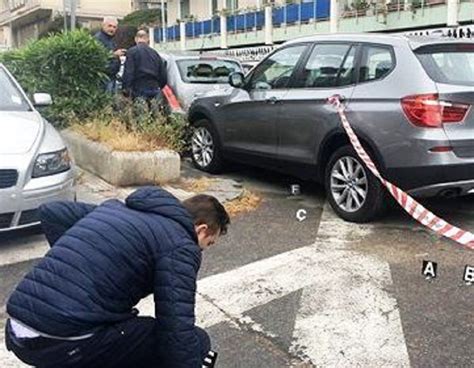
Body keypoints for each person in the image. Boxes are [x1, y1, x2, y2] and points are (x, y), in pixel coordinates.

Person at [5, 187, 230, 368]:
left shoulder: (114, 209)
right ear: (201, 230)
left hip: (18, 330)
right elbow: (176, 329)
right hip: (61, 340)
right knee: (196, 343)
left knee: (132, 335)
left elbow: (51, 212)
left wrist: (83, 264)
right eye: (207, 245)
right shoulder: (181, 245)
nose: (202, 251)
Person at [122, 30, 167, 101]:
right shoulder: (155, 53)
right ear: (147, 39)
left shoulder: (132, 52)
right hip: (154, 87)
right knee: (154, 110)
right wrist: (159, 86)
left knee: (141, 111)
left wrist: (126, 89)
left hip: (138, 87)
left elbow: (128, 72)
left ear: (136, 39)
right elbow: (163, 75)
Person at [94, 16, 126, 92]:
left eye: (114, 27)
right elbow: (97, 57)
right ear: (103, 25)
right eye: (110, 26)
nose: (112, 29)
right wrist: (114, 54)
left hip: (112, 76)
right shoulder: (98, 39)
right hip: (103, 77)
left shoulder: (111, 40)